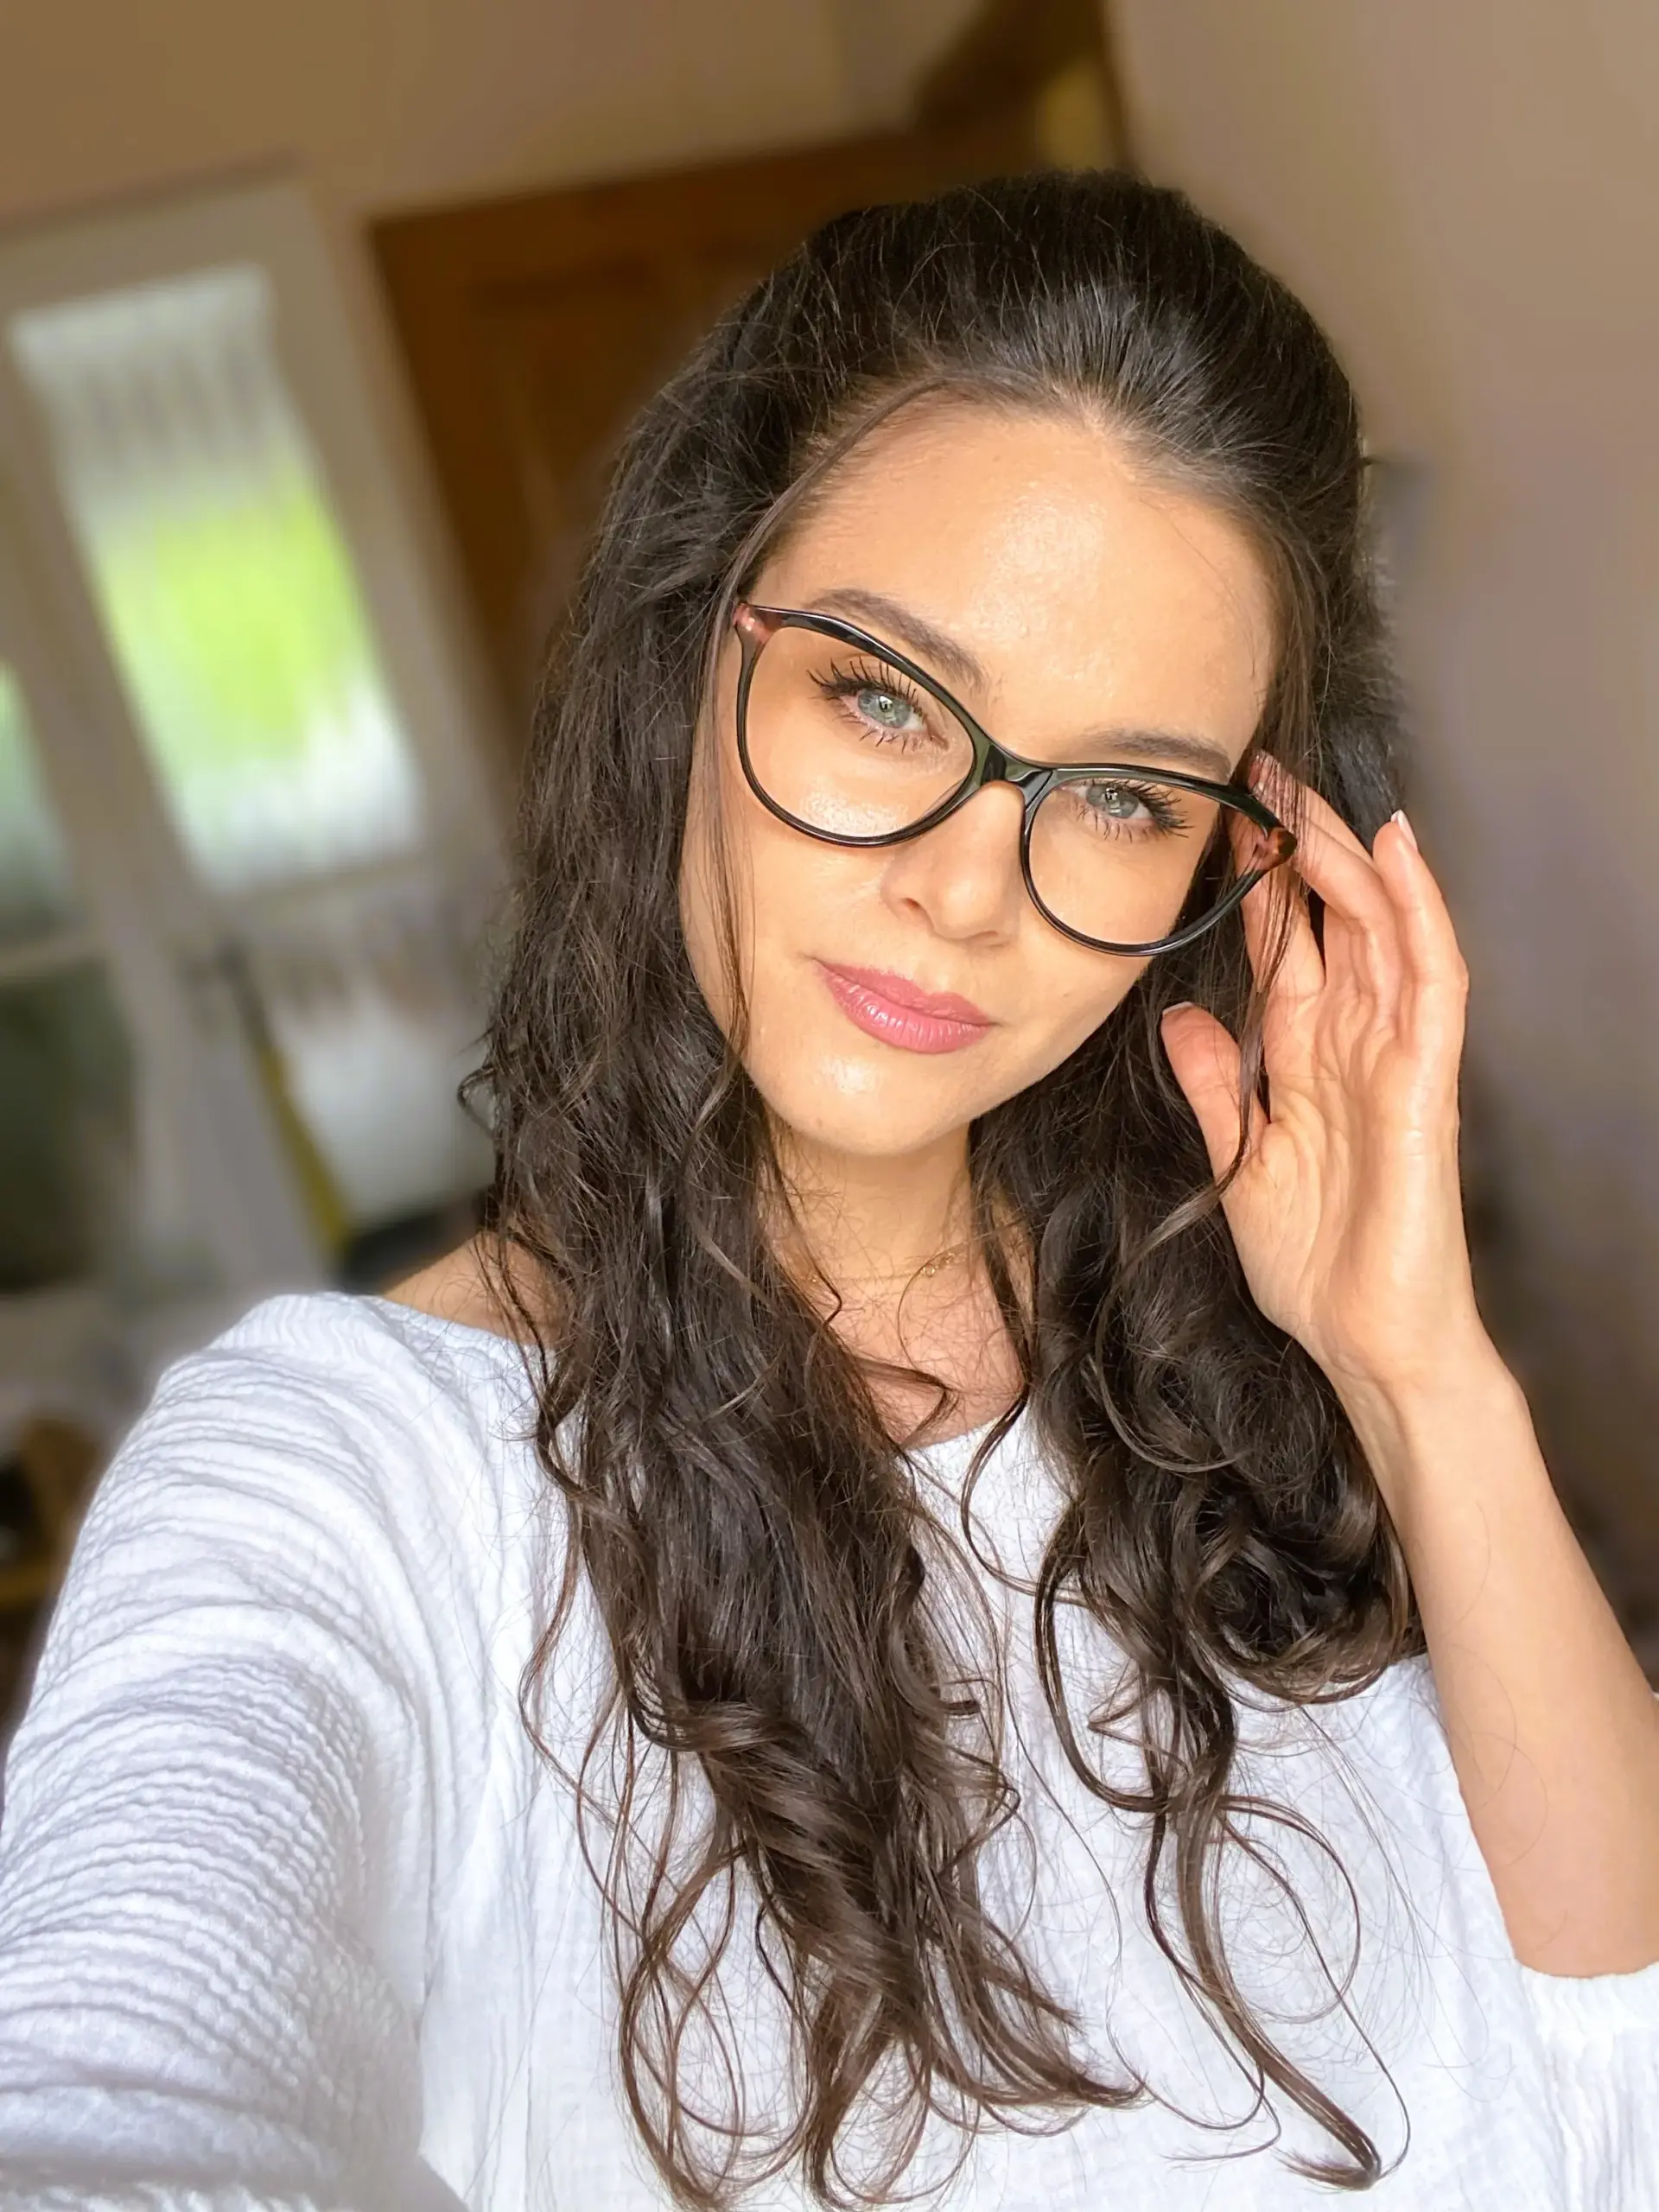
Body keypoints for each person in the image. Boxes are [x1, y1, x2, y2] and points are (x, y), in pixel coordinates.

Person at [0, 169, 1653, 2212]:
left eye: (1118, 794)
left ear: (1233, 862)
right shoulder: (342, 1474)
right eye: (883, 695)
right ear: (703, 642)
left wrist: (1420, 1373)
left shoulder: (1238, 1345)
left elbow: (1616, 2045)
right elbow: (124, 2082)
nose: (965, 886)